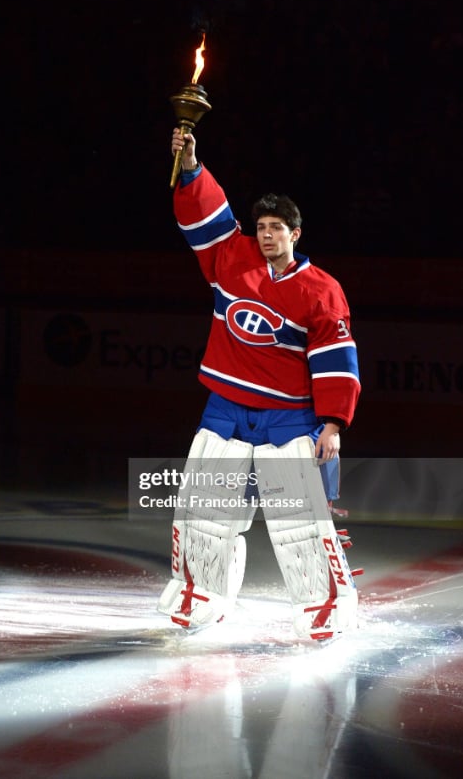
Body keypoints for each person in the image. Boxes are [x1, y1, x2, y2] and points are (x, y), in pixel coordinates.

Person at [157, 129, 361, 640]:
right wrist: (190, 164)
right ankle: (200, 593)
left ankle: (325, 605)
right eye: (262, 226)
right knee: (203, 511)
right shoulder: (231, 256)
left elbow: (336, 360)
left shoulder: (322, 291)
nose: (267, 235)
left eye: (277, 228)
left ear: (296, 233)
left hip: (288, 415)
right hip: (225, 406)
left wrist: (333, 422)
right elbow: (205, 216)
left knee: (298, 524)